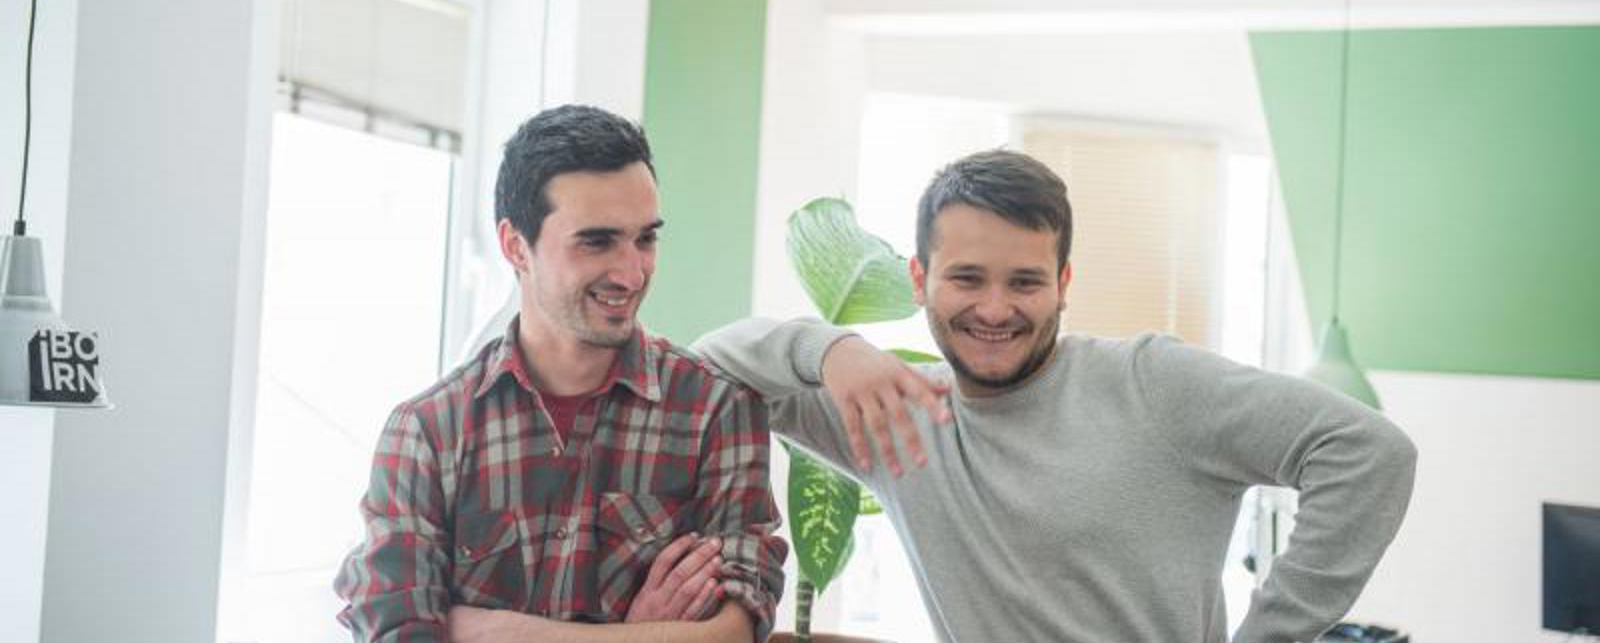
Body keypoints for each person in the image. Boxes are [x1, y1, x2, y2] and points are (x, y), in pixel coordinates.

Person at [695, 149, 1417, 643]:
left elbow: (1369, 453)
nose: (996, 308)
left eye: (1026, 282)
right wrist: (830, 349)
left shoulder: (1151, 384)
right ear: (919, 281)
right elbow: (706, 368)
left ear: (1064, 285)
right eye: (968, 278)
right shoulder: (899, 415)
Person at [335, 105, 786, 643]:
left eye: (645, 238)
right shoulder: (428, 432)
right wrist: (641, 634)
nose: (631, 272)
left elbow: (736, 631)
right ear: (514, 246)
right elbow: (396, 631)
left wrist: (488, 631)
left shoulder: (715, 411)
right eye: (596, 242)